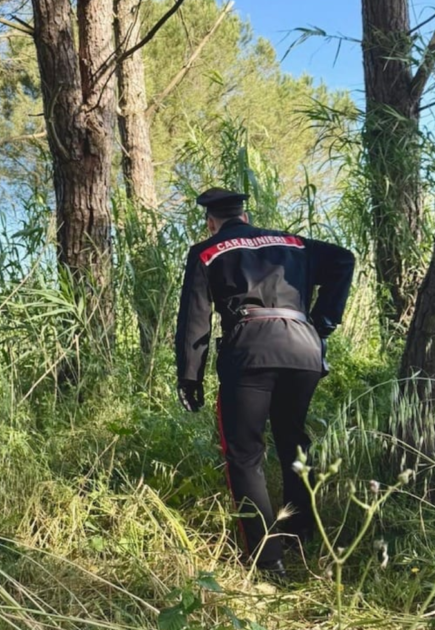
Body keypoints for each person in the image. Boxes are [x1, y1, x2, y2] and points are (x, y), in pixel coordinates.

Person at [174, 188, 354, 580]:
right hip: (304, 351)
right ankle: (301, 536)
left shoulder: (207, 251)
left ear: (211, 220)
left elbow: (195, 318)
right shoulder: (292, 242)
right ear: (245, 214)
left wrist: (190, 377)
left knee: (244, 454)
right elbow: (344, 259)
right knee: (293, 440)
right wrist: (323, 320)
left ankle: (267, 561)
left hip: (250, 350)